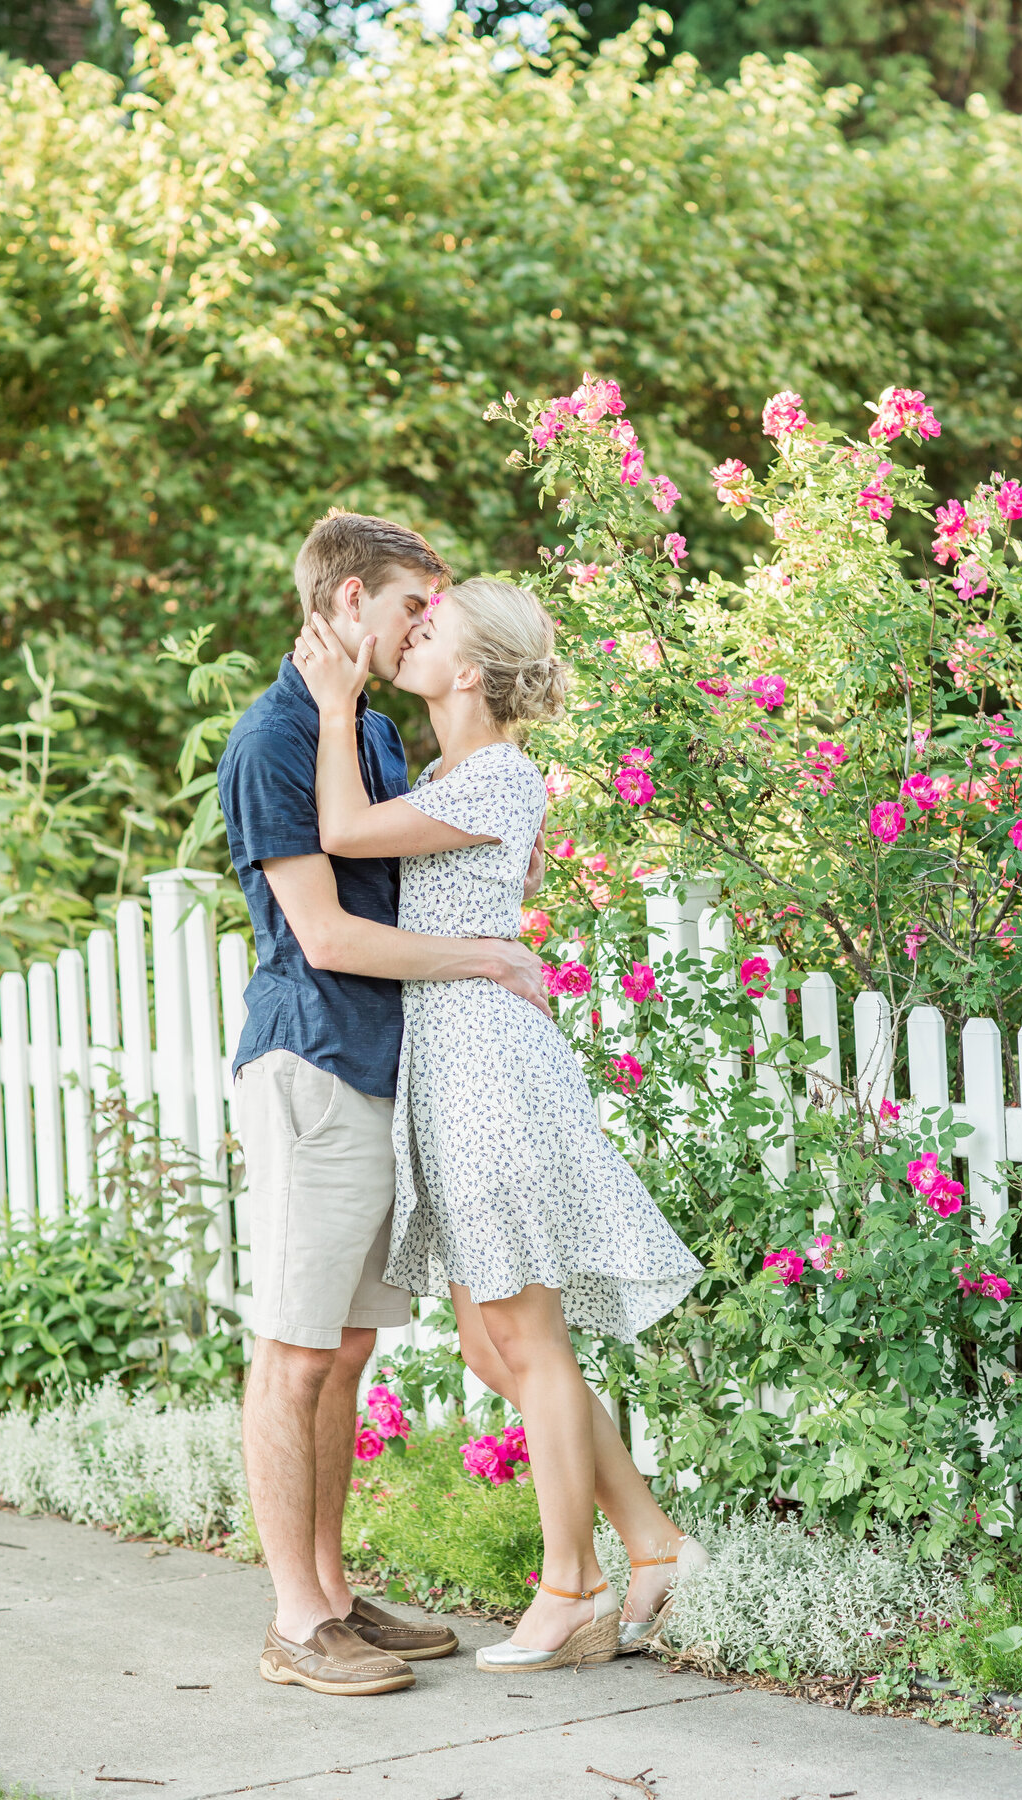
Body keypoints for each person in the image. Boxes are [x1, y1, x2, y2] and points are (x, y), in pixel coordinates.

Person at [292, 576, 708, 1675]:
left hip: (488, 1065)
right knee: (493, 1341)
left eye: (432, 632)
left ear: (470, 672)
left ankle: (571, 1587)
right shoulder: (453, 775)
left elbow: (336, 829)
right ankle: (655, 1542)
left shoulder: (497, 775)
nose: (412, 637)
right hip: (456, 1058)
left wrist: (334, 706)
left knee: (528, 1336)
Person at [217, 512, 551, 1697]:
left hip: (375, 1070)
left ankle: (334, 1593)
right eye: (414, 603)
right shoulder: (272, 741)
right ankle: (295, 1620)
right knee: (295, 1348)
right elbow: (325, 931)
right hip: (311, 1063)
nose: (427, 622)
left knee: (346, 1347)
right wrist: (492, 959)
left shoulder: (359, 732)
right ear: (350, 602)